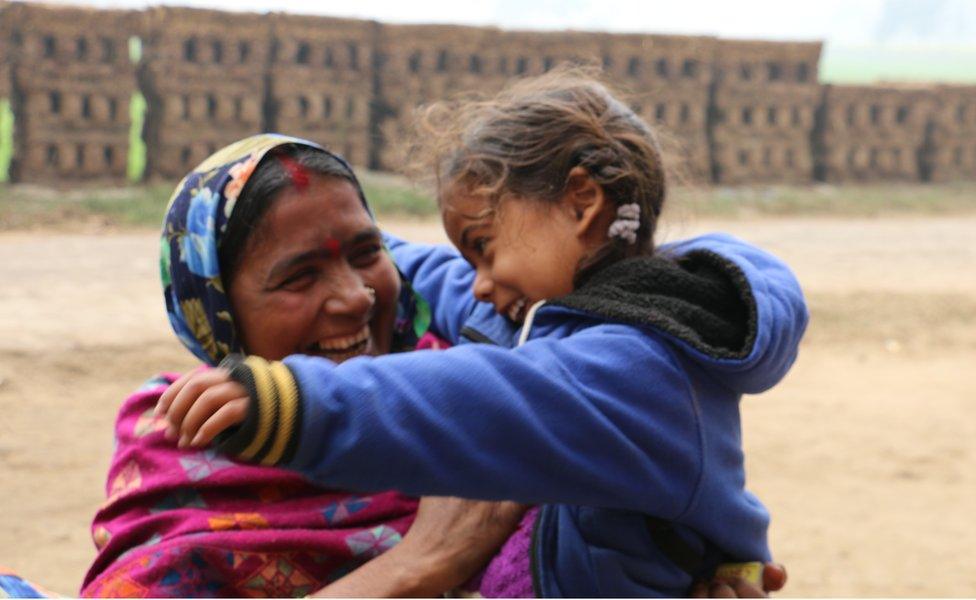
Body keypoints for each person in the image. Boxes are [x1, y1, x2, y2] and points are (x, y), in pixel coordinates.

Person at [159, 72, 808, 597]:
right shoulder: (543, 310)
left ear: (581, 204)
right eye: (302, 272)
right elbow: (431, 275)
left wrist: (294, 403)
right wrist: (360, 247)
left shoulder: (636, 370)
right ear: (213, 302)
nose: (358, 294)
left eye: (484, 249)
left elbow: (474, 402)